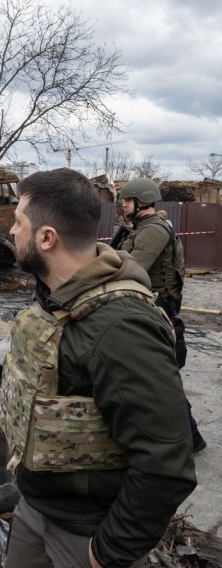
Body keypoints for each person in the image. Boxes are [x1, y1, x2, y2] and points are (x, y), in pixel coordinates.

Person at [0, 168, 197, 568]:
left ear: (47, 238)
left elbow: (166, 462)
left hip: (86, 534)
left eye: (18, 223)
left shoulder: (119, 327)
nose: (12, 232)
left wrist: (106, 553)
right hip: (37, 511)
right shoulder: (58, 299)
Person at [116, 177, 206, 453]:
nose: (122, 204)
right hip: (148, 304)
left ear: (141, 202)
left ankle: (190, 437)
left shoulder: (153, 231)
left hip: (157, 307)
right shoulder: (141, 228)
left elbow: (132, 267)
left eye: (127, 200)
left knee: (160, 375)